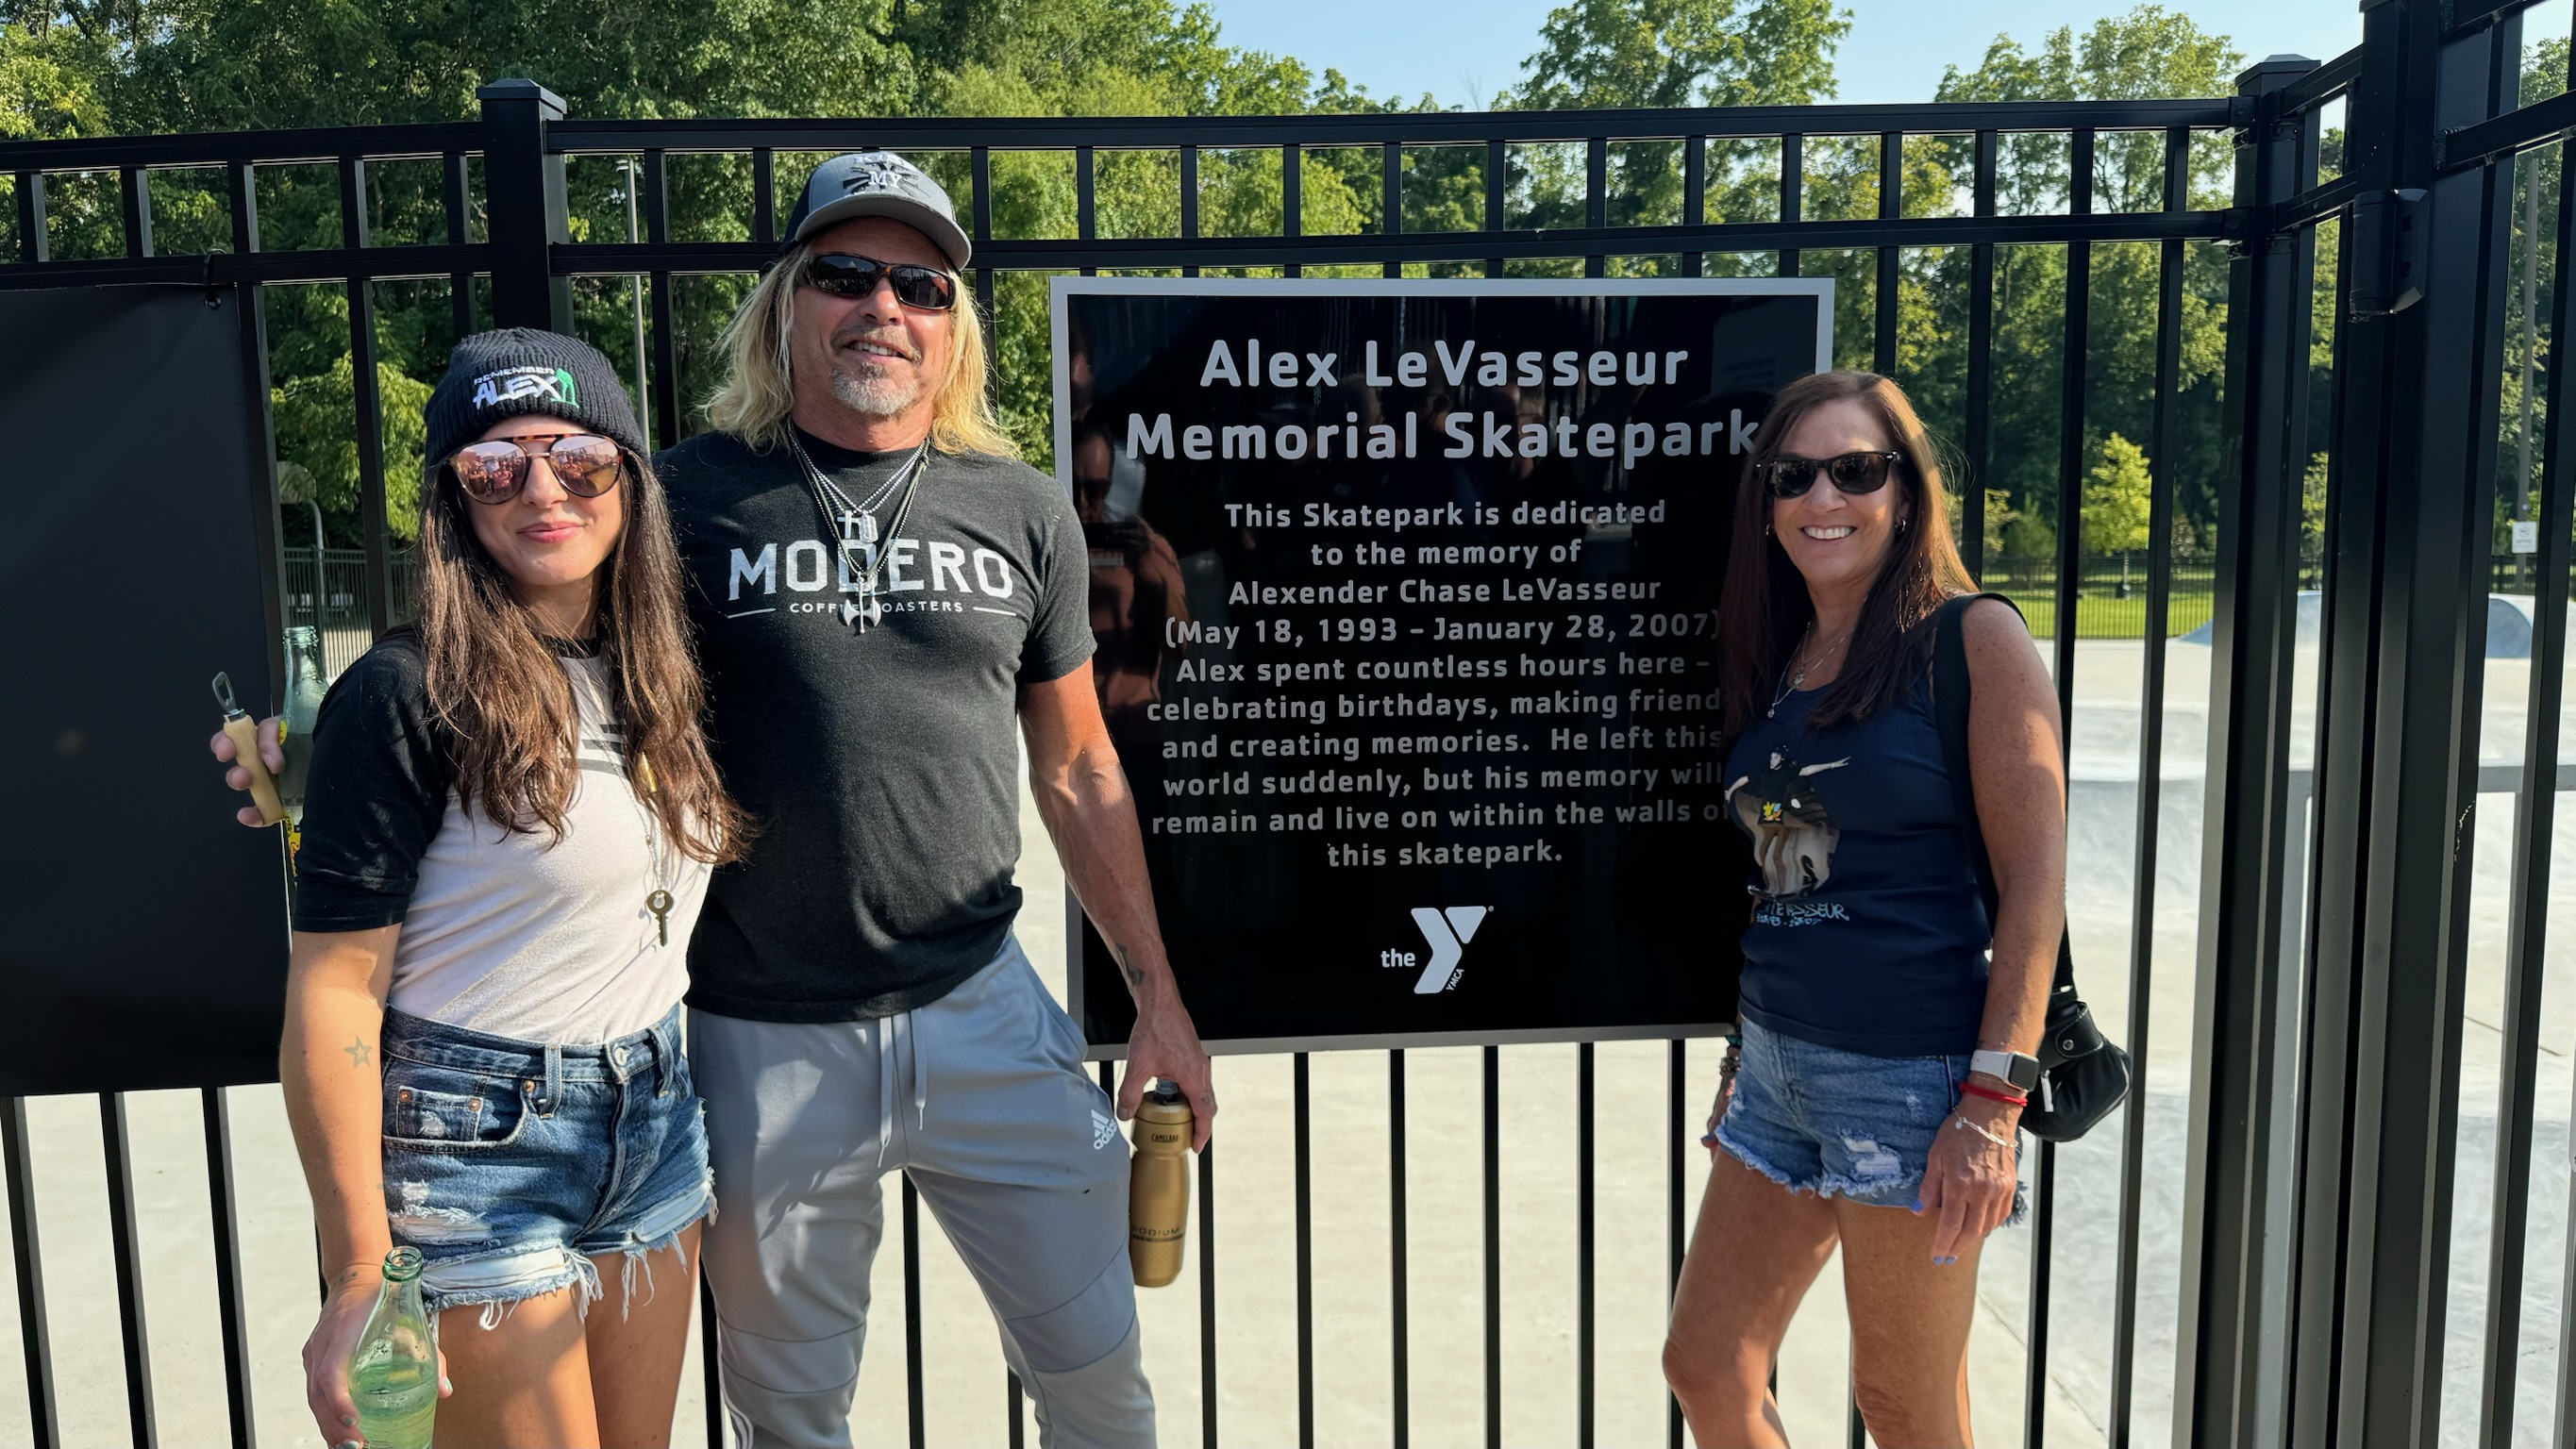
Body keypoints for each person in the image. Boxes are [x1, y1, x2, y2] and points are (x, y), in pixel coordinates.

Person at [662, 151, 1214, 1447]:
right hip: (764, 1035)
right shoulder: (683, 498)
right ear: (787, 301)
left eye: (919, 286)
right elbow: (533, 680)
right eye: (846, 275)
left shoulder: (1020, 509)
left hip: (983, 1010)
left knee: (1100, 1383)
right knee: (790, 1418)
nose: (883, 308)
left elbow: (1078, 767)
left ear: (952, 325)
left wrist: (1159, 1000)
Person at [241, 330, 752, 1448]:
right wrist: (357, 1272)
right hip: (475, 1137)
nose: (543, 489)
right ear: (454, 498)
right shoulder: (407, 691)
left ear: (629, 479)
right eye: (495, 466)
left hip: (655, 1117)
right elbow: (333, 992)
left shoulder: (661, 668)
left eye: (579, 459)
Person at [1662, 371, 2066, 1448]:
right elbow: (1779, 878)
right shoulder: (1783, 655)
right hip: (1774, 1071)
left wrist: (1991, 1108)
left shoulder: (1971, 640)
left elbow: (2037, 883)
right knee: (1707, 1366)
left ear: (1906, 490)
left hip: (1912, 1084)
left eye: (1855, 469)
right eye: (1794, 475)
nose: (1823, 497)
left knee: (1903, 1409)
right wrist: (1744, 1052)